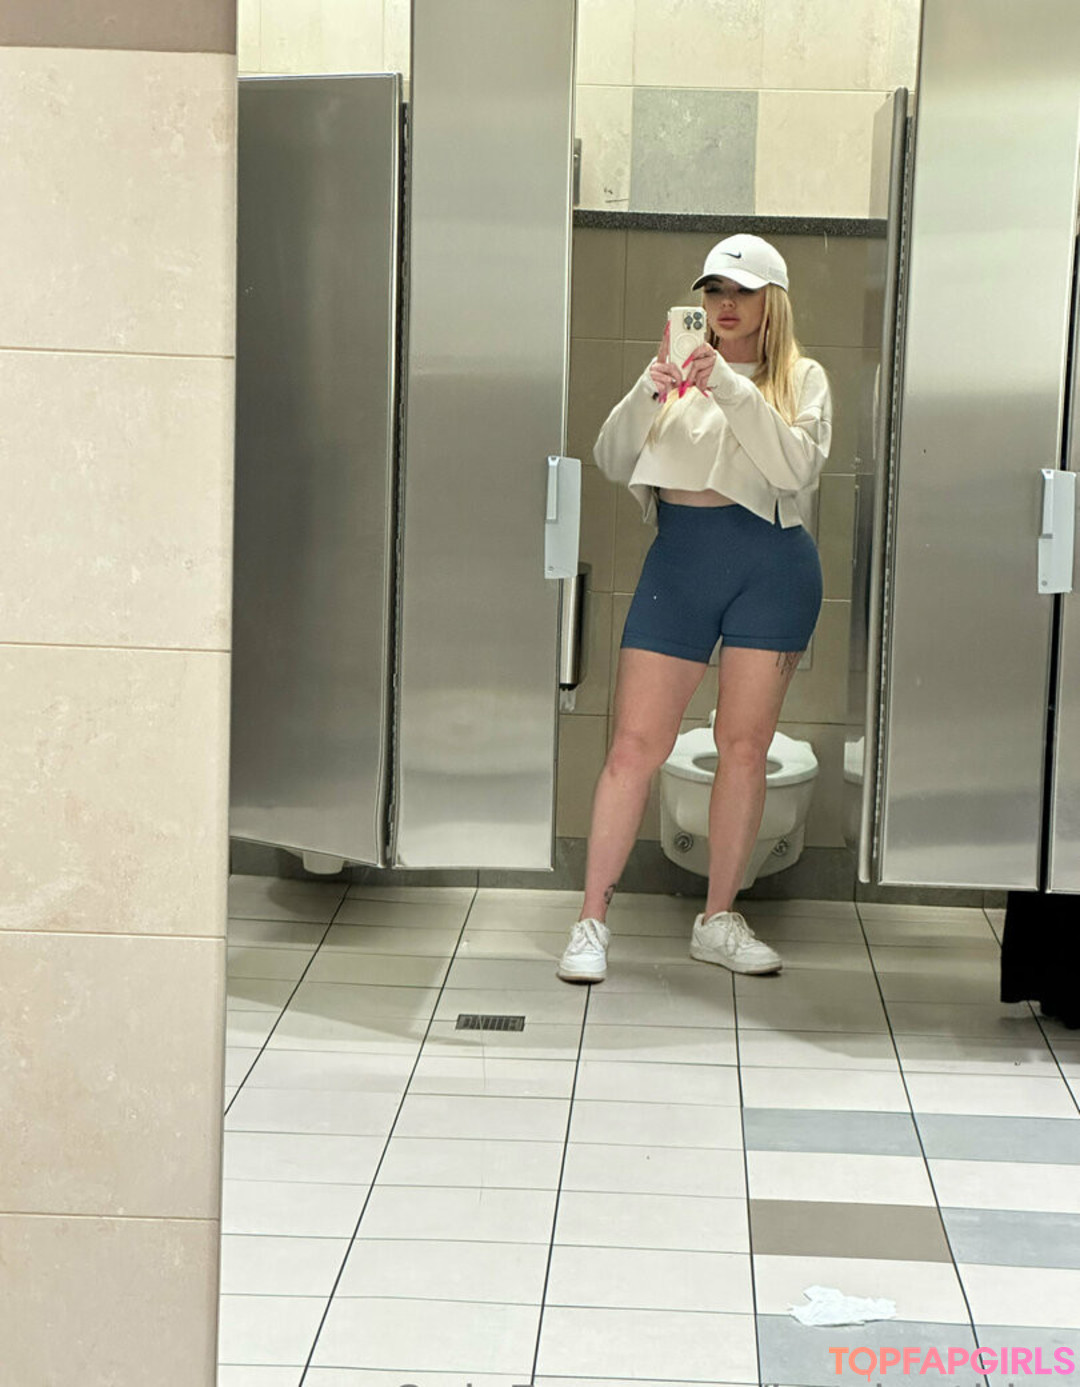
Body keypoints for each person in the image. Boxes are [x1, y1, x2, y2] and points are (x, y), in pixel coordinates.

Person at [557, 234, 832, 984]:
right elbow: (612, 459)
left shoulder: (801, 378)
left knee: (744, 748)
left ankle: (717, 920)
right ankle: (590, 920)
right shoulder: (673, 375)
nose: (725, 305)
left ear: (772, 300)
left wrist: (732, 387)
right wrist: (651, 387)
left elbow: (796, 468)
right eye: (714, 291)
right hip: (679, 564)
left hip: (773, 568)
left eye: (742, 291)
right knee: (633, 746)